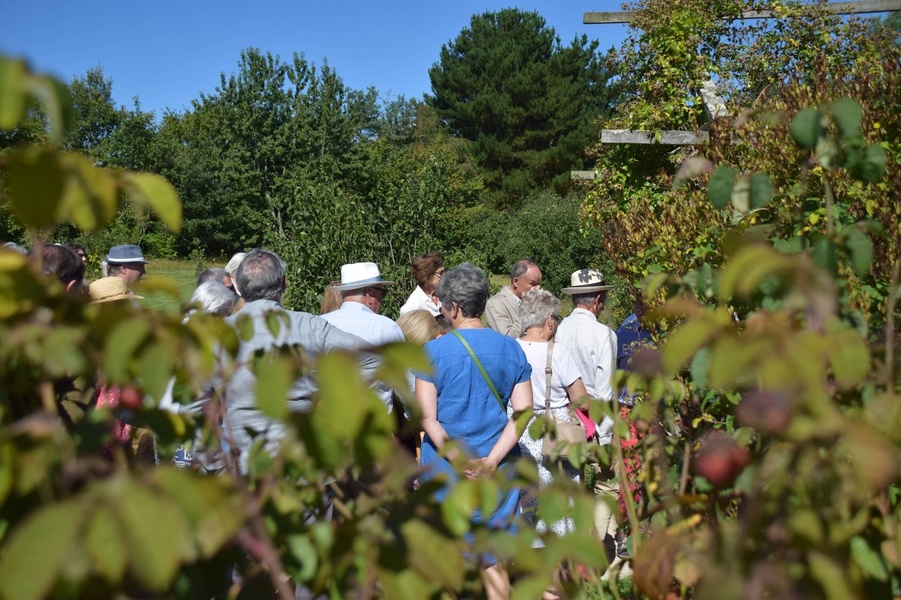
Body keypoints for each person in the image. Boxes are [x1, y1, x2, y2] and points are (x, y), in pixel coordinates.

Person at [415, 263, 533, 600]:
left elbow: (428, 419)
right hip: (498, 468)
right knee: (493, 562)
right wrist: (492, 460)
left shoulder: (433, 352)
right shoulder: (511, 348)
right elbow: (524, 413)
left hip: (445, 469)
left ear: (453, 307)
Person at [219, 249, 381, 474]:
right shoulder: (309, 326)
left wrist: (215, 465)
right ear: (284, 284)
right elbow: (372, 360)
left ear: (240, 288)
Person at [515, 290, 591, 550]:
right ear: (549, 319)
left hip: (518, 429)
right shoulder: (557, 353)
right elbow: (580, 398)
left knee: (527, 494)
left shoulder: (511, 348)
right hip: (553, 433)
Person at [555, 268, 619, 562]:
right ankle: (595, 549)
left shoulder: (558, 328)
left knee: (570, 484)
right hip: (593, 421)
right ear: (596, 299)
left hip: (564, 421)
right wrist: (606, 437)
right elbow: (605, 390)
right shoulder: (604, 334)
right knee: (608, 485)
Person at [320, 262, 405, 411]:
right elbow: (405, 384)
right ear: (369, 294)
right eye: (382, 294)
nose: (382, 300)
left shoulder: (320, 324)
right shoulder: (386, 327)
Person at [485, 258, 542, 338]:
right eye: (533, 284)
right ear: (516, 282)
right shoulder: (495, 304)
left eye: (538, 284)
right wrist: (527, 309)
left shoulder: (536, 301)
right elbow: (507, 337)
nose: (538, 288)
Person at [399, 252, 444, 317]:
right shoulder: (412, 308)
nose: (444, 275)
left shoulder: (445, 295)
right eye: (440, 273)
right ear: (426, 276)